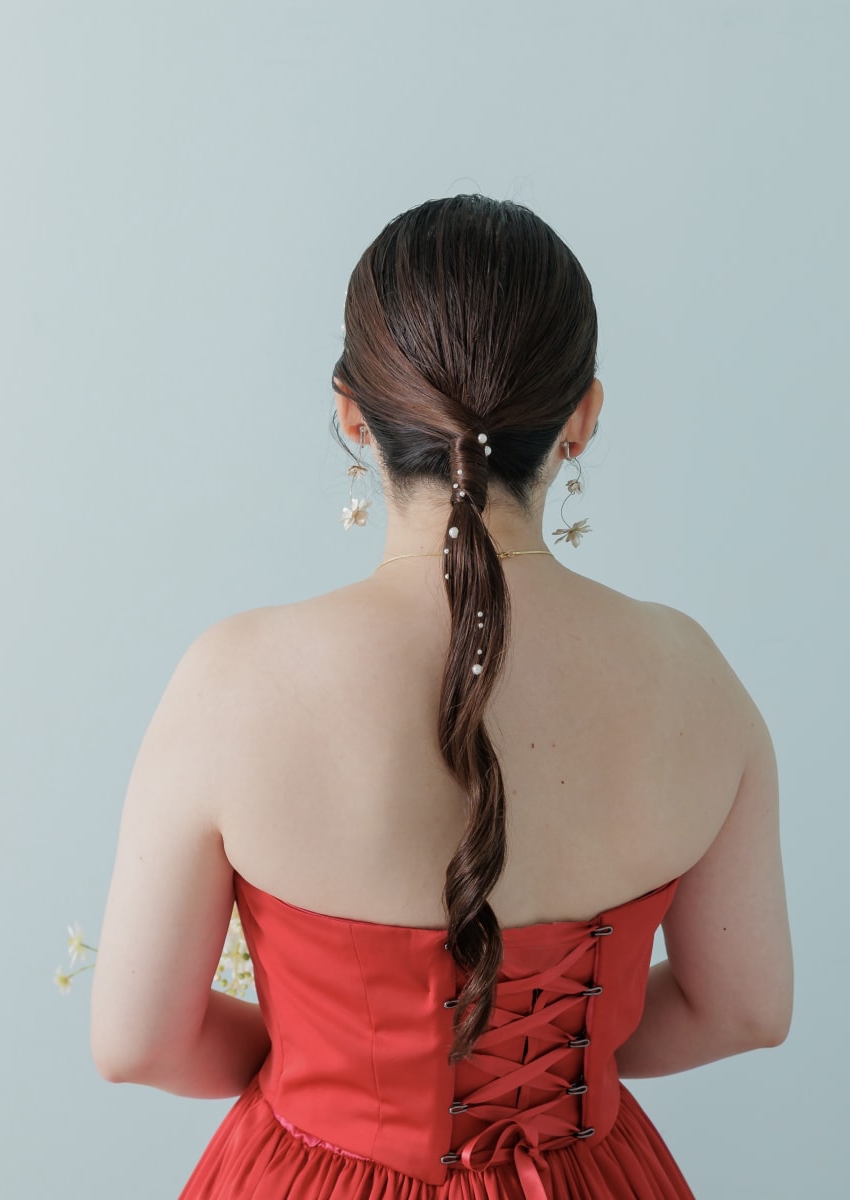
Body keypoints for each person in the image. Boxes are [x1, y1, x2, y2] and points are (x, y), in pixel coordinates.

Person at [89, 194, 793, 1199]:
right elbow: (745, 1011)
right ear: (582, 417)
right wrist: (567, 1064)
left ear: (351, 414)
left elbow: (138, 1044)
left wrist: (337, 1067)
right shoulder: (692, 675)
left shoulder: (235, 681)